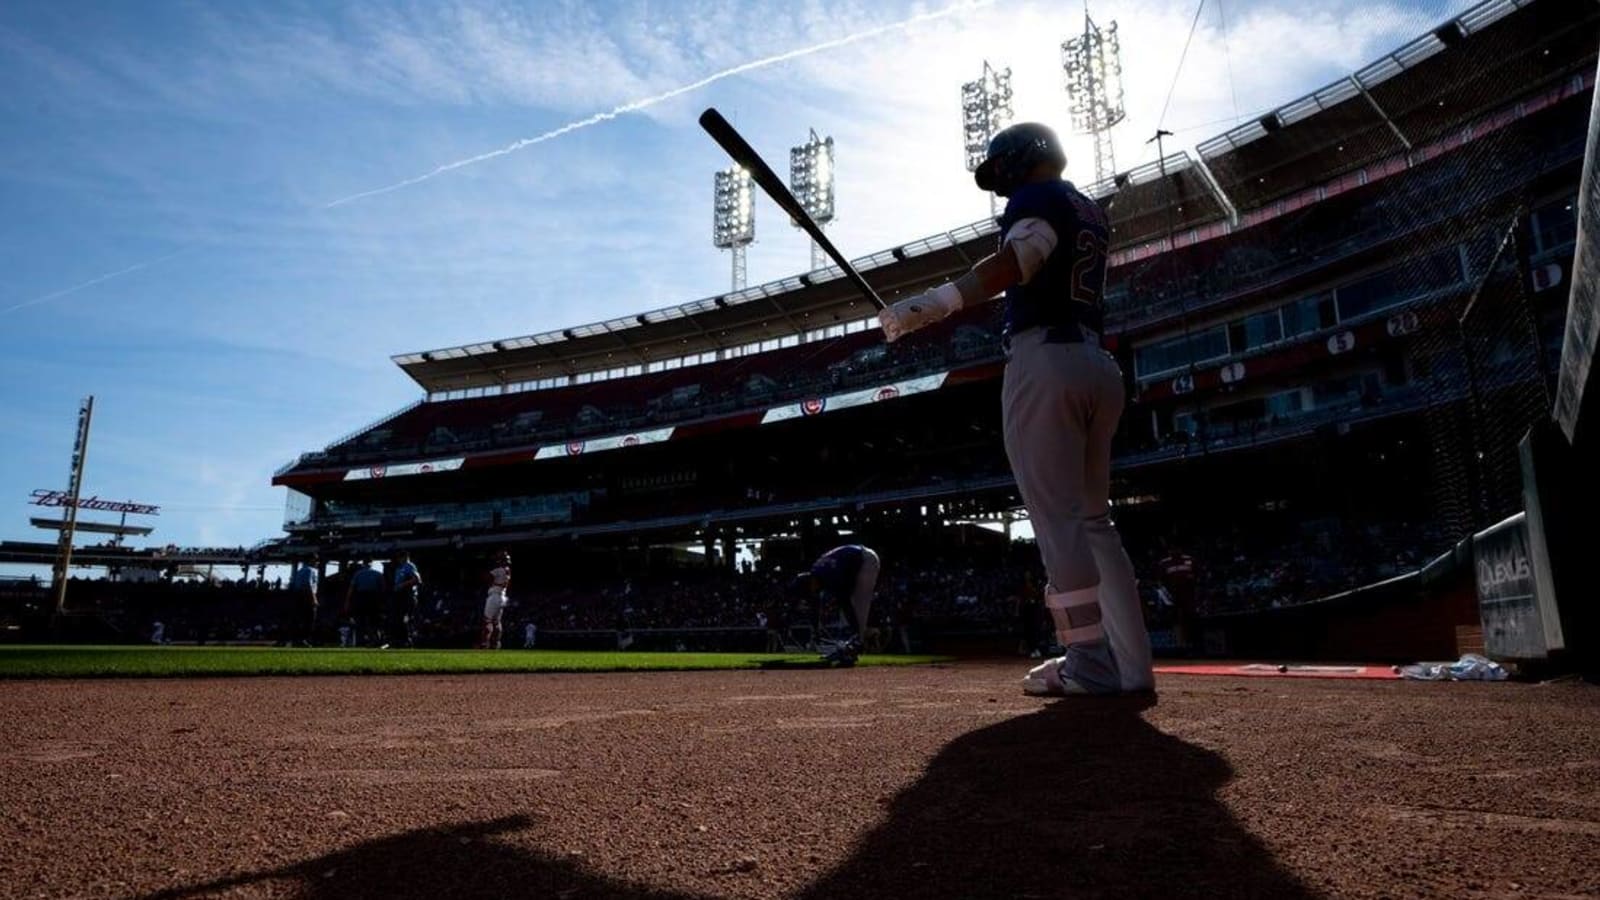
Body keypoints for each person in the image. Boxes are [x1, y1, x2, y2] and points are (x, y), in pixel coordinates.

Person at [877, 122, 1153, 697]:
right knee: (1095, 523)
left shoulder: (1038, 197)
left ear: (1023, 159)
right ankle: (1131, 668)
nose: (998, 184)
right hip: (1097, 362)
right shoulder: (1086, 206)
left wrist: (935, 304)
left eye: (1001, 169)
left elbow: (1022, 257)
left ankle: (1089, 662)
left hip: (1045, 362)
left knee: (1057, 523)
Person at [787, 544, 881, 666]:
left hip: (864, 559)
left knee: (857, 606)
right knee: (855, 609)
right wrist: (815, 629)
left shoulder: (827, 574)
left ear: (810, 583)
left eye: (806, 590)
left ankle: (856, 644)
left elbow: (844, 599)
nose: (809, 593)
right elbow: (814, 605)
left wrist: (856, 630)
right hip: (859, 559)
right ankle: (858, 641)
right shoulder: (818, 574)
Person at [342, 559, 385, 647]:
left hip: (361, 598)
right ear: (371, 564)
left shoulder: (358, 574)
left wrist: (347, 601)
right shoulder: (378, 574)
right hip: (373, 598)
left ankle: (360, 641)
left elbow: (351, 588)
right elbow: (383, 589)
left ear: (363, 564)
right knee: (373, 621)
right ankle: (375, 640)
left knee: (360, 621)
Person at [385, 551, 421, 649]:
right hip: (400, 597)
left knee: (405, 619)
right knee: (397, 619)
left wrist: (402, 585)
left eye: (401, 557)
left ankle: (408, 640)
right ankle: (400, 640)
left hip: (408, 596)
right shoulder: (399, 568)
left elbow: (417, 579)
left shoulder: (409, 566)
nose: (399, 559)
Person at [478, 551, 512, 650]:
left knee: (487, 621)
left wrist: (488, 567)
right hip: (502, 597)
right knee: (497, 622)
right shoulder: (507, 570)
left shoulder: (498, 570)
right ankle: (496, 644)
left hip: (495, 596)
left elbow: (485, 578)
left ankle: (484, 644)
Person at [286, 556, 319, 648]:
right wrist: (314, 598)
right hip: (307, 595)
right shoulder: (311, 570)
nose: (317, 562)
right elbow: (308, 584)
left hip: (297, 596)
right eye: (316, 560)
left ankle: (295, 640)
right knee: (310, 618)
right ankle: (304, 639)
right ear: (312, 560)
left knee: (298, 618)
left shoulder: (300, 571)